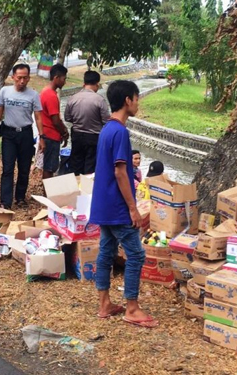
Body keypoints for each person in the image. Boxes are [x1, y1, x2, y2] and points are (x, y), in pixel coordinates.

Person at [91, 80, 158, 328]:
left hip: (103, 204)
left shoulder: (106, 129)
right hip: (118, 206)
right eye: (137, 98)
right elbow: (120, 172)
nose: (138, 103)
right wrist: (132, 207)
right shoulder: (120, 131)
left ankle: (104, 304)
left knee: (106, 252)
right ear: (128, 101)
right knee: (136, 254)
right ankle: (132, 307)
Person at [0, 63, 45, 209]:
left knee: (24, 168)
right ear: (13, 77)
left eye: (25, 78)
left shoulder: (33, 95)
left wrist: (41, 137)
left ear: (29, 78)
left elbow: (38, 117)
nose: (22, 81)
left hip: (25, 133)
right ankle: (5, 201)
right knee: (7, 168)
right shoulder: (5, 92)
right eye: (19, 78)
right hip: (9, 134)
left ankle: (20, 197)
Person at [64, 71, 110, 175]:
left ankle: (76, 188)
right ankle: (88, 189)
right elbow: (106, 121)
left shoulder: (73, 98)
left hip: (77, 136)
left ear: (84, 83)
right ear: (97, 84)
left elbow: (67, 118)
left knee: (76, 164)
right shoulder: (99, 100)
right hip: (94, 137)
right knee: (91, 166)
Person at [40, 64, 69, 179]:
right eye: (64, 78)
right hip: (51, 136)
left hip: (46, 134)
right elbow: (56, 121)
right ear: (56, 78)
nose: (64, 82)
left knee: (48, 166)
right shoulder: (51, 95)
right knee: (50, 167)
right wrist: (64, 132)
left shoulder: (44, 91)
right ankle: (47, 195)